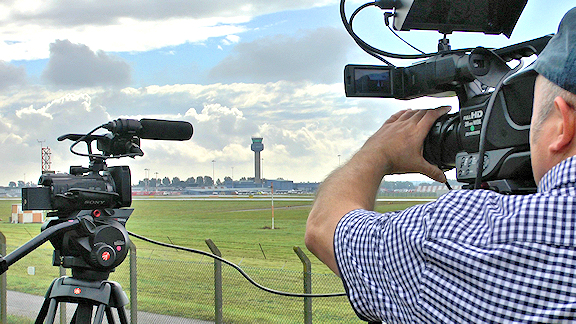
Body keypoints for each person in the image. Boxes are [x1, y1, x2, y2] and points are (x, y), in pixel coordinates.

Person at [305, 7, 576, 324]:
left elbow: (324, 227)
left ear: (563, 125)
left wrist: (377, 151)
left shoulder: (466, 235)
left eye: (531, 117)